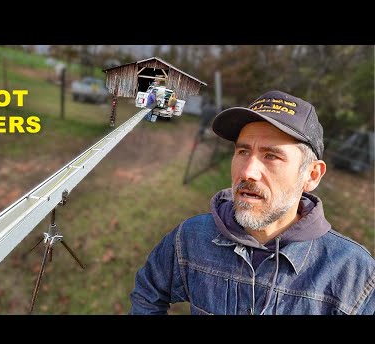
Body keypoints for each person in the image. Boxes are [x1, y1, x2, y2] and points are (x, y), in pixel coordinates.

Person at [129, 90, 375, 315]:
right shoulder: (190, 239)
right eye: (243, 152)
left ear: (311, 176)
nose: (247, 172)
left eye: (271, 156)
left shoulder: (353, 272)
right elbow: (147, 295)